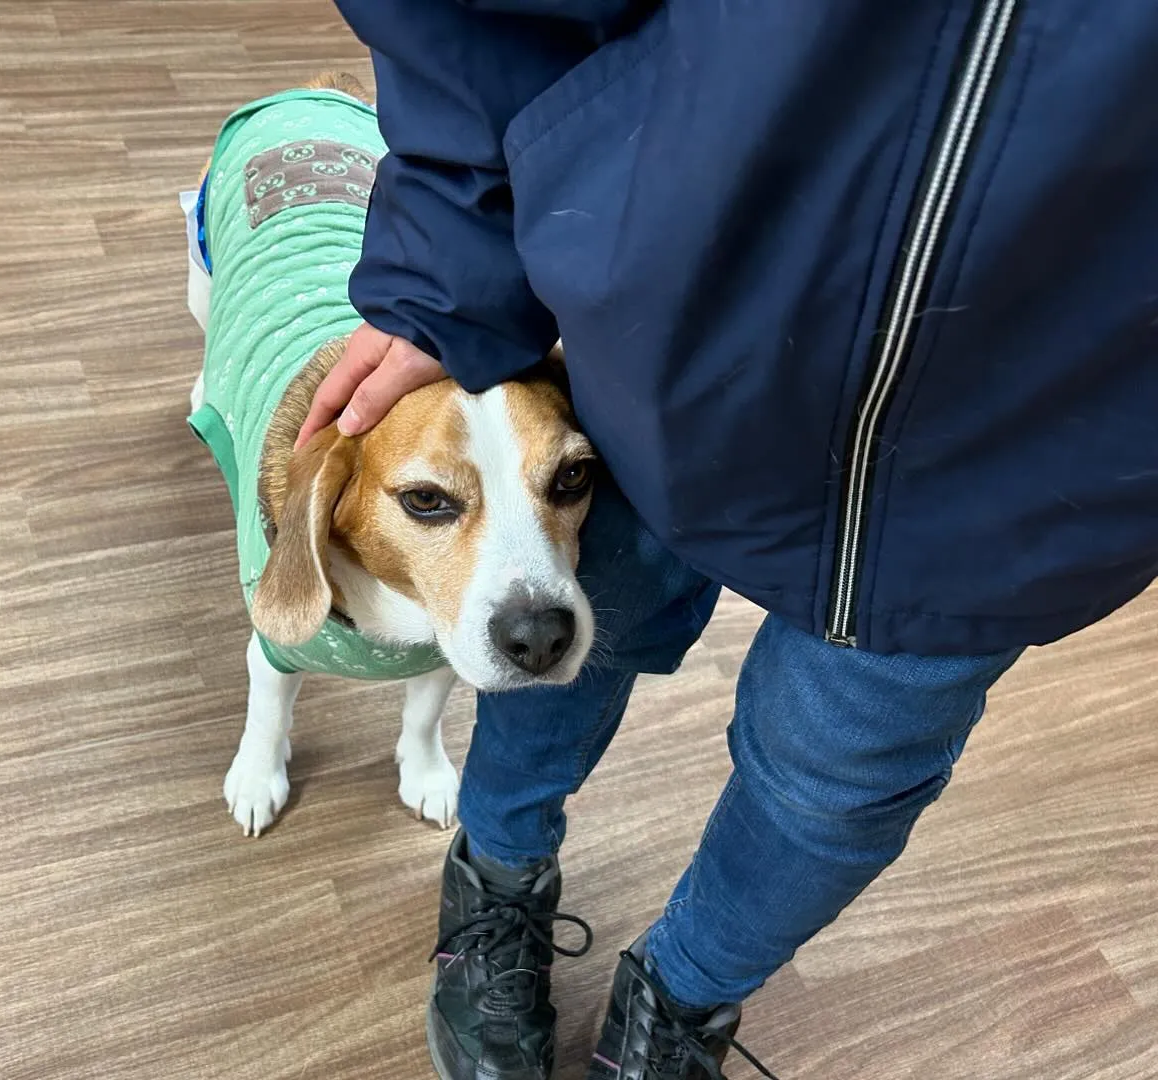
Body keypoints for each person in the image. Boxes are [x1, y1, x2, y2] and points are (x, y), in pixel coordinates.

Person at [297, 3, 1158, 1078]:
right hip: (671, 342)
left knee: (838, 785)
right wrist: (453, 268)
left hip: (1051, 437)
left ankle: (684, 1001)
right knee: (544, 646)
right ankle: (498, 880)